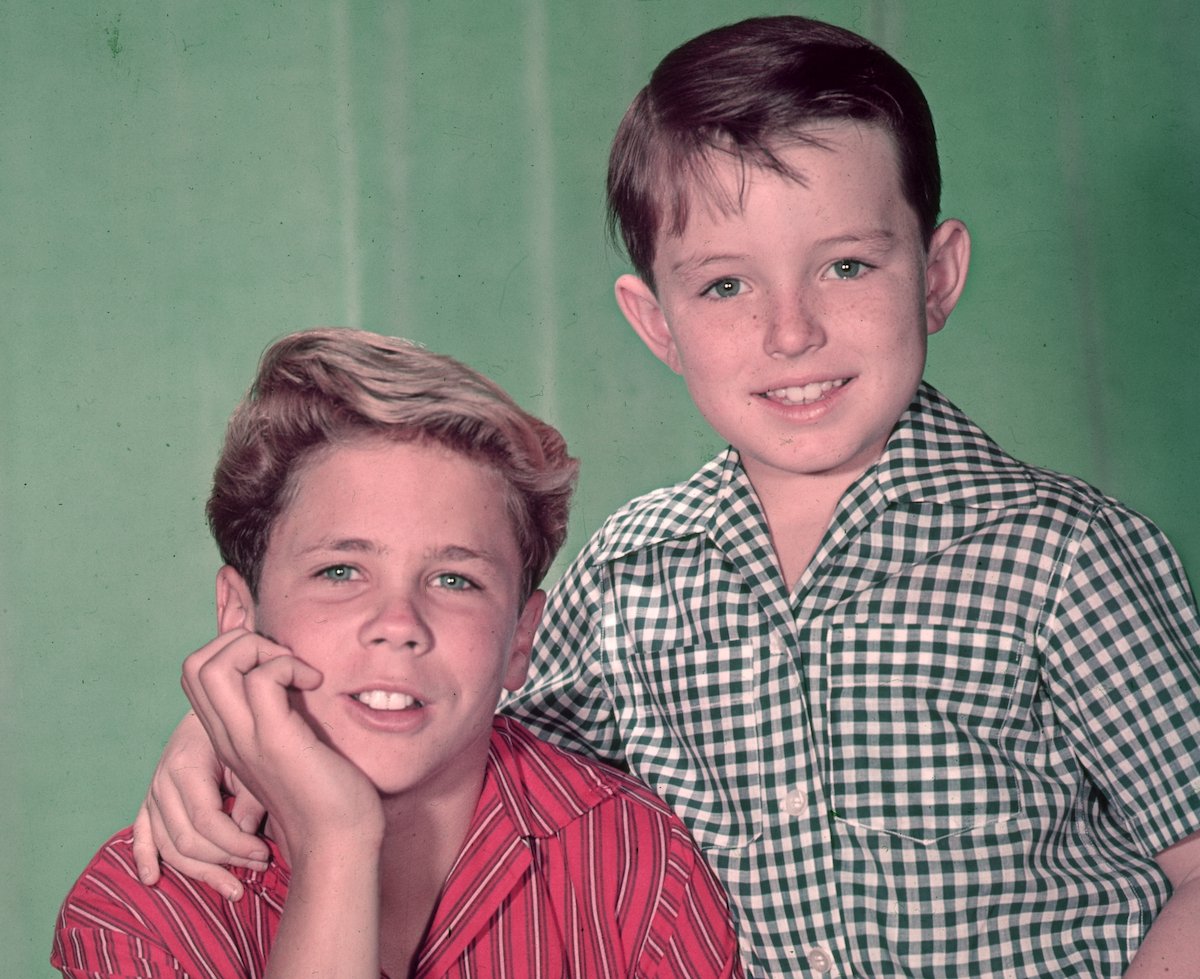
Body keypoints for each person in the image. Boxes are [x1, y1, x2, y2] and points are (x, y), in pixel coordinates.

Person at [130, 16, 1200, 978]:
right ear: (656, 321)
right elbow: (443, 719)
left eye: (846, 267)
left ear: (936, 273)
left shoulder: (1064, 557)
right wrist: (235, 730)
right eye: (726, 284)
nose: (791, 332)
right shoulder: (633, 568)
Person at [51, 328, 743, 978]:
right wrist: (338, 843)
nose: (398, 622)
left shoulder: (636, 867)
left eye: (455, 579)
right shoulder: (141, 908)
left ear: (521, 641)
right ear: (240, 614)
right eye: (340, 571)